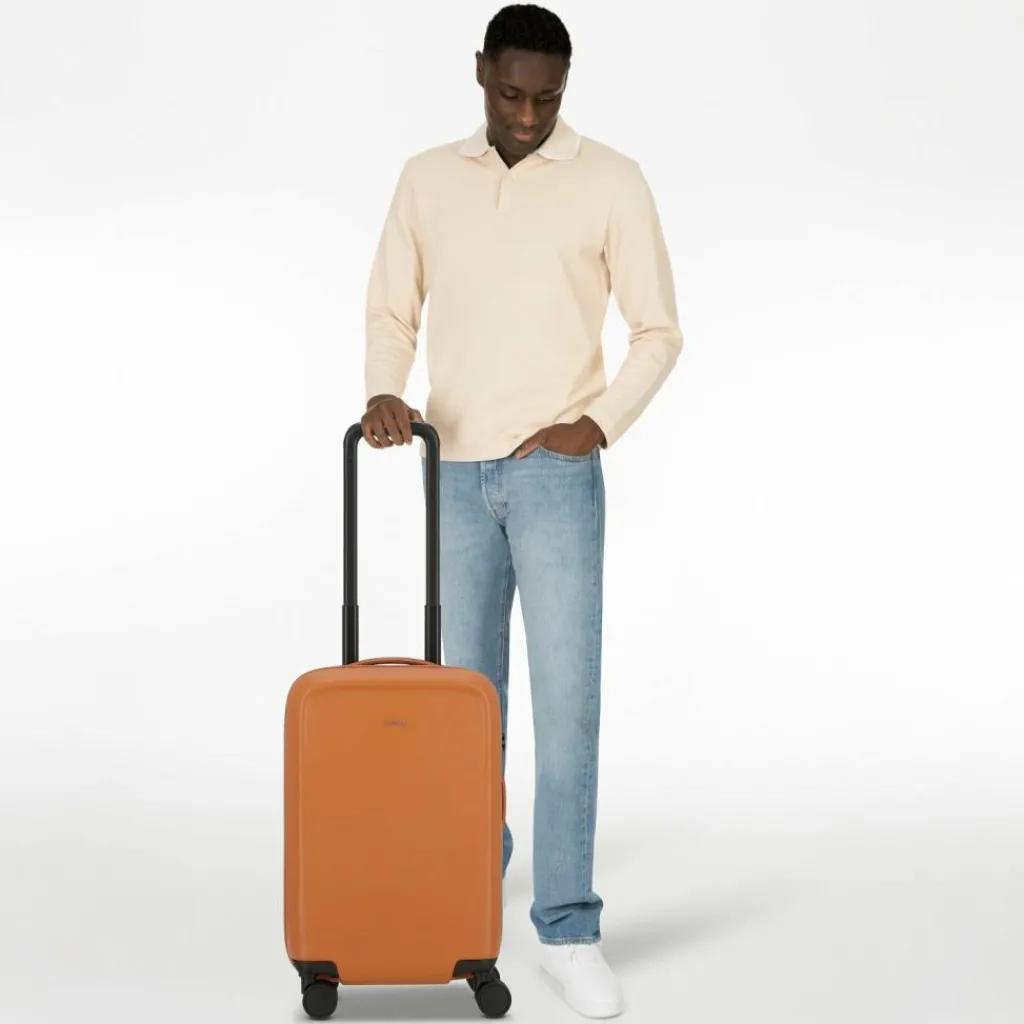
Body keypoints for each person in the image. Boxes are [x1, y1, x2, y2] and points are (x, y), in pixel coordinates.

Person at [359, 4, 682, 1017]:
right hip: (452, 470)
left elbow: (659, 330)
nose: (530, 116)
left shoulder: (612, 180)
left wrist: (598, 422)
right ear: (480, 74)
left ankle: (568, 928)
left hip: (553, 475)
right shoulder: (426, 178)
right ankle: (471, 864)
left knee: (565, 705)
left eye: (547, 97)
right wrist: (384, 389)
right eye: (511, 94)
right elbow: (392, 307)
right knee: (466, 708)